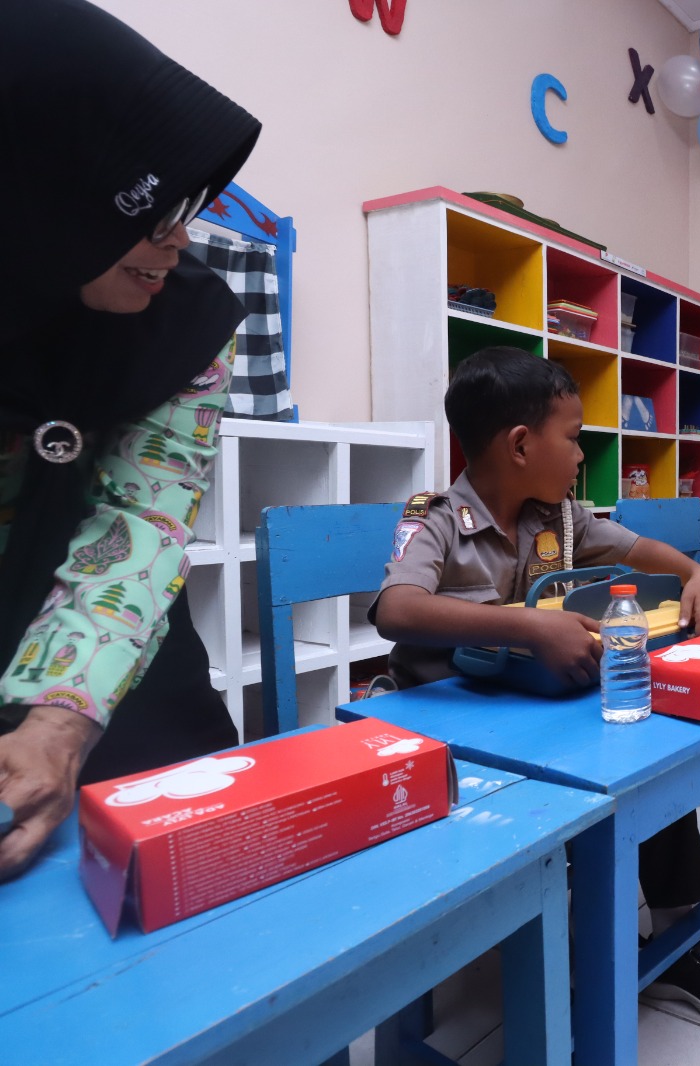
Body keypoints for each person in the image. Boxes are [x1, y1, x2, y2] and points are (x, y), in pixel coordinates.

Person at [370, 347, 700, 1024]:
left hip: (531, 715)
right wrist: (527, 627)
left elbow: (641, 549)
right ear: (521, 444)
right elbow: (394, 609)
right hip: (447, 733)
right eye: (575, 436)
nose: (582, 455)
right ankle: (578, 943)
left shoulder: (559, 519)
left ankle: (680, 937)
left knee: (648, 761)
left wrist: (697, 574)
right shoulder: (437, 518)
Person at [0, 0, 261, 881]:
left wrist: (60, 720)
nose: (177, 242)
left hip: (120, 667)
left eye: (188, 209)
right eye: (154, 216)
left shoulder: (187, 320)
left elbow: (145, 516)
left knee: (214, 916)